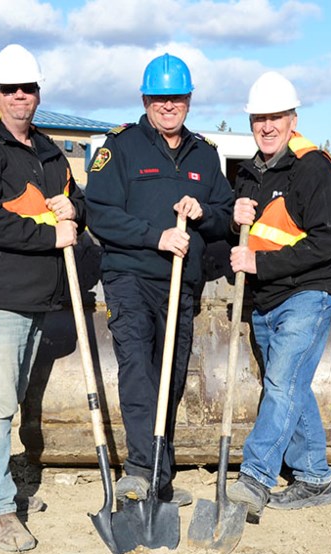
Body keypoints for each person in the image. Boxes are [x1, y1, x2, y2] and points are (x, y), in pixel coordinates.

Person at [0, 43, 85, 552]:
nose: (19, 97)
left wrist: (74, 208)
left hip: (35, 295)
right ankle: (1, 511)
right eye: (9, 90)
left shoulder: (48, 149)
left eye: (27, 88)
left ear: (38, 93)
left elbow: (75, 201)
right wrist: (51, 236)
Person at [84, 53, 234, 508]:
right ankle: (138, 472)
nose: (168, 106)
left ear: (188, 100)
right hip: (129, 278)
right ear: (145, 99)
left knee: (169, 378)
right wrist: (156, 237)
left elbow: (227, 217)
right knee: (138, 372)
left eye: (177, 98)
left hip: (180, 286)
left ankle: (160, 477)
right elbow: (100, 214)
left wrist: (204, 212)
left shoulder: (206, 156)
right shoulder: (120, 148)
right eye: (159, 98)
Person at [224, 71, 331, 523]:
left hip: (308, 296)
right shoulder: (250, 172)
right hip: (266, 300)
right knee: (292, 387)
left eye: (276, 117)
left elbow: (326, 244)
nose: (267, 126)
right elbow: (244, 238)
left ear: (294, 119)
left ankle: (256, 475)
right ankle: (315, 477)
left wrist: (261, 265)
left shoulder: (314, 167)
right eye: (259, 119)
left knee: (280, 385)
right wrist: (230, 217)